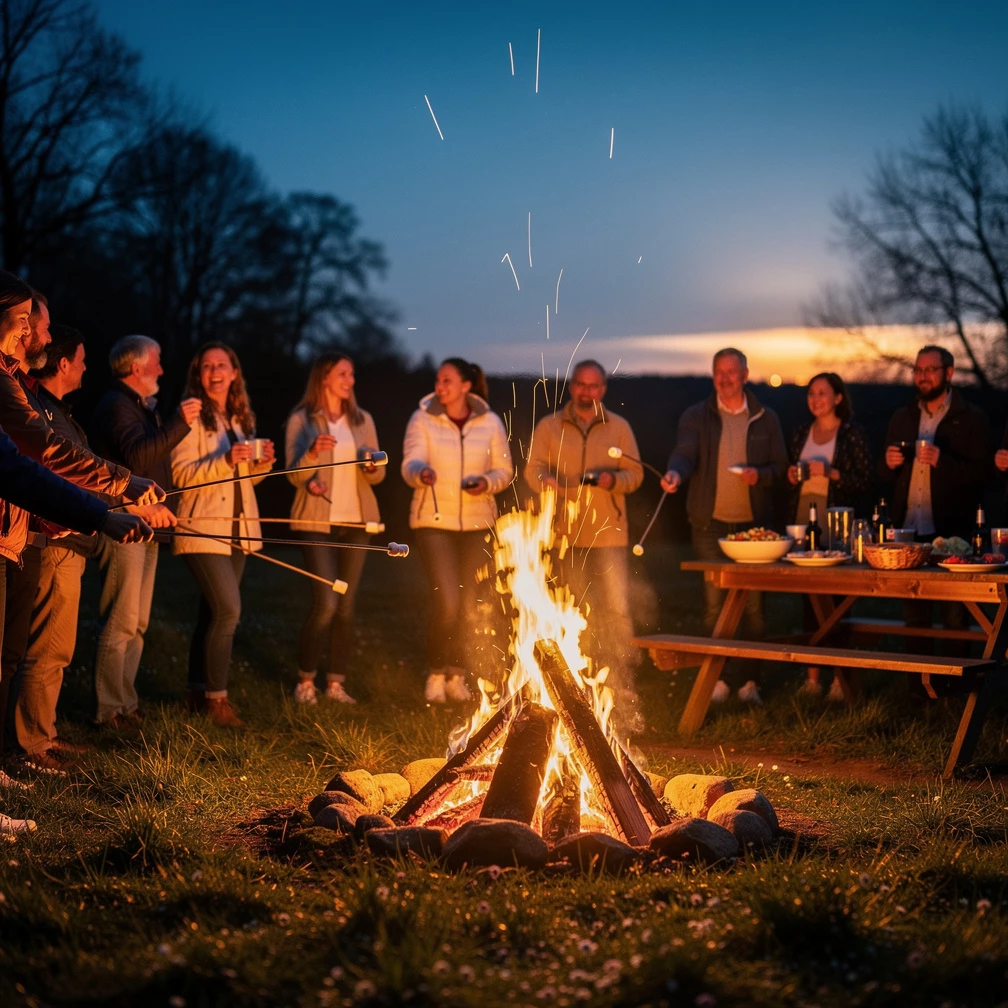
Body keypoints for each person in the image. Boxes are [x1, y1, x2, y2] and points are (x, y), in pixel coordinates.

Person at [0, 288, 162, 770]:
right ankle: (28, 743)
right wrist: (111, 499)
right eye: (25, 320)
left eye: (37, 323)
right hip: (39, 537)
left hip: (21, 536)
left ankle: (25, 749)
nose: (32, 332)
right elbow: (37, 460)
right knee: (30, 652)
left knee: (11, 656)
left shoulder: (18, 386)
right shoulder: (16, 391)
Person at [661, 347, 788, 704]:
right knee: (714, 606)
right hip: (710, 526)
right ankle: (717, 680)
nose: (725, 377)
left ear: (745, 375)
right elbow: (685, 453)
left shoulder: (766, 417)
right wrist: (675, 472)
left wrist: (758, 474)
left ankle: (750, 682)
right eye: (719, 371)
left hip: (753, 528)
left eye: (732, 371)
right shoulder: (697, 416)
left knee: (754, 608)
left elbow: (780, 468)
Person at [524, 359, 644, 725]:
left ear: (603, 389)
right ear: (571, 386)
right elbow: (533, 468)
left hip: (608, 532)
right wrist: (547, 482)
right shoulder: (550, 425)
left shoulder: (619, 427)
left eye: (594, 386)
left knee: (616, 607)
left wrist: (614, 482)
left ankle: (621, 681)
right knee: (572, 607)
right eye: (580, 384)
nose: (586, 392)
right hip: (565, 533)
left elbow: (636, 474)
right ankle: (575, 679)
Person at [88, 335, 199, 728]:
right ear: (136, 368)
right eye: (157, 362)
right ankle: (107, 709)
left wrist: (161, 507)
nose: (162, 370)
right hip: (123, 523)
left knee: (136, 622)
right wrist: (179, 424)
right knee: (120, 619)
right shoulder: (117, 405)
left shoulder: (138, 406)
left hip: (146, 523)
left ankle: (126, 704)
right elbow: (137, 457)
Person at [171, 342, 274, 727]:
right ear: (198, 374)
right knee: (228, 610)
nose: (215, 371)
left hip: (238, 530)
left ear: (234, 372)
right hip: (201, 527)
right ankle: (217, 701)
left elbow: (244, 480)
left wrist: (263, 465)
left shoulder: (239, 417)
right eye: (207, 366)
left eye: (222, 365)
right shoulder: (192, 416)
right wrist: (225, 459)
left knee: (211, 612)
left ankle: (195, 691)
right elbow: (181, 478)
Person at [401, 357, 513, 704]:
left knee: (469, 605)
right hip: (435, 521)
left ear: (466, 385)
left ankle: (458, 676)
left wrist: (486, 482)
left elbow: (504, 470)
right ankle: (436, 673)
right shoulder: (423, 418)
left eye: (447, 380)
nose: (440, 386)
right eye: (438, 380)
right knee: (447, 601)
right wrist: (421, 472)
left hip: (478, 523)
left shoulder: (489, 422)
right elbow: (410, 461)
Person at [284, 353, 384, 705]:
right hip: (317, 520)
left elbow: (379, 474)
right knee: (325, 602)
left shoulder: (362, 420)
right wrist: (311, 454)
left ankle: (336, 684)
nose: (350, 379)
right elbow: (293, 475)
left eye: (352, 373)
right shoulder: (302, 420)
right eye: (343, 373)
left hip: (356, 521)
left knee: (345, 605)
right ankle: (306, 681)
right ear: (324, 378)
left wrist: (372, 465)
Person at [880, 345, 989, 654]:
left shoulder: (970, 419)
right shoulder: (903, 417)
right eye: (917, 370)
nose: (922, 377)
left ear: (949, 373)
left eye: (929, 370)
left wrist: (943, 461)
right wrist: (887, 464)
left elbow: (983, 476)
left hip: (951, 533)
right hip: (908, 534)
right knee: (914, 614)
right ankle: (919, 691)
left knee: (954, 615)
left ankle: (955, 690)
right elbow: (884, 477)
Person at [786, 372, 873, 699]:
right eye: (811, 393)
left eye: (822, 393)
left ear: (838, 397)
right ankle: (812, 678)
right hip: (802, 520)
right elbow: (790, 481)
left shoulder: (852, 434)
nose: (815, 399)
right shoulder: (800, 433)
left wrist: (831, 472)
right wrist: (791, 477)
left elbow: (865, 480)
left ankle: (840, 679)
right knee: (808, 599)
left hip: (836, 524)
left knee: (838, 602)